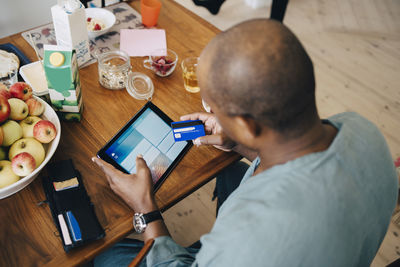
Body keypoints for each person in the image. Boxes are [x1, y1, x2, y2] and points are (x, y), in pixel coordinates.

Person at [92, 19, 398, 266]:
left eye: (212, 108)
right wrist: (240, 143)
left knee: (104, 255)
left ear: (248, 124)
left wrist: (145, 209)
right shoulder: (364, 129)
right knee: (227, 171)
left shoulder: (252, 235)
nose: (209, 112)